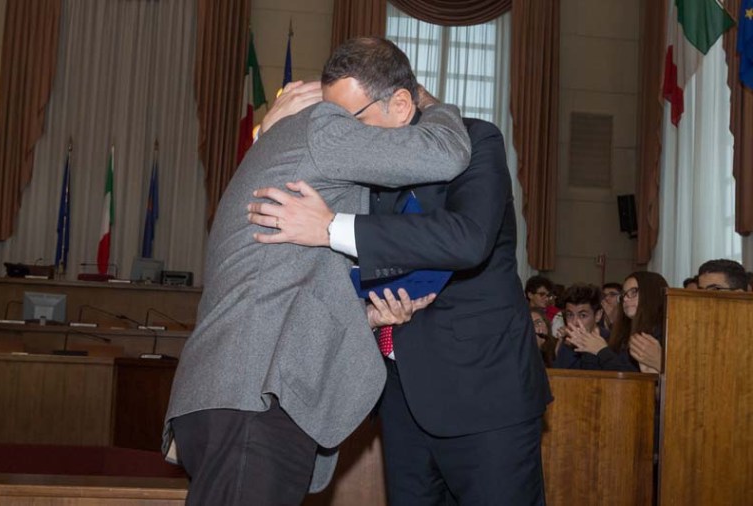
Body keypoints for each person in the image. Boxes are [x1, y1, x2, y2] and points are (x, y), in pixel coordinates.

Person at [163, 37, 472, 506]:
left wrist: (366, 317)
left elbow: (292, 278)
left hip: (238, 395)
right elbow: (447, 152)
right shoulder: (325, 126)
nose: (355, 131)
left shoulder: (298, 149)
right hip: (253, 398)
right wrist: (433, 105)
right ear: (401, 103)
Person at [247, 87, 550, 505]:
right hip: (398, 392)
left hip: (483, 395)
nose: (347, 129)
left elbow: (468, 239)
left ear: (402, 103)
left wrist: (332, 227)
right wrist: (268, 131)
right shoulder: (360, 166)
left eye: (355, 116)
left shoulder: (474, 140)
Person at [552, 283, 611, 370]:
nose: (575, 322)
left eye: (583, 315)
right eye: (570, 315)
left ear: (598, 315)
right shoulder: (566, 343)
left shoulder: (612, 342)